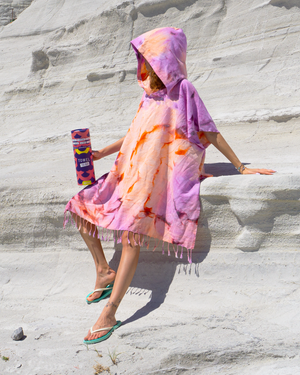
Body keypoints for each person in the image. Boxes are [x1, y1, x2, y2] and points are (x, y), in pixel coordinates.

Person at [64, 27, 275, 344]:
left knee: (132, 233)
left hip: (161, 180)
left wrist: (241, 167)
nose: (144, 65)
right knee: (79, 207)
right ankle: (103, 271)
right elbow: (135, 132)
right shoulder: (148, 95)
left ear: (166, 58)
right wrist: (102, 152)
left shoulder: (185, 91)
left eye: (149, 58)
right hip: (131, 173)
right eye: (143, 59)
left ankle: (110, 311)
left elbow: (209, 131)